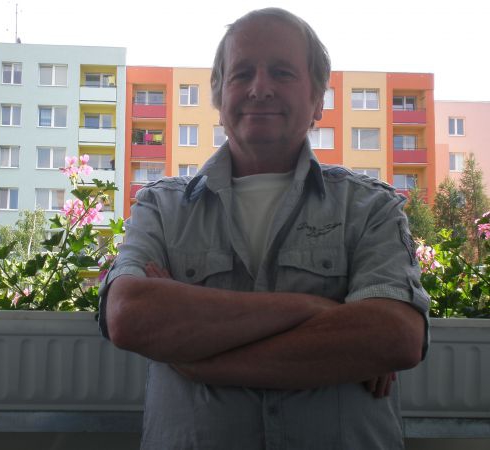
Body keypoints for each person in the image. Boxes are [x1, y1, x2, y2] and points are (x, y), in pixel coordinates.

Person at [99, 8, 429, 450]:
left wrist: (200, 360)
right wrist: (318, 310)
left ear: (318, 100)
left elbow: (396, 337)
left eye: (282, 72)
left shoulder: (371, 208)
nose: (259, 88)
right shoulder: (161, 207)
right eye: (241, 74)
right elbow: (129, 316)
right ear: (219, 98)